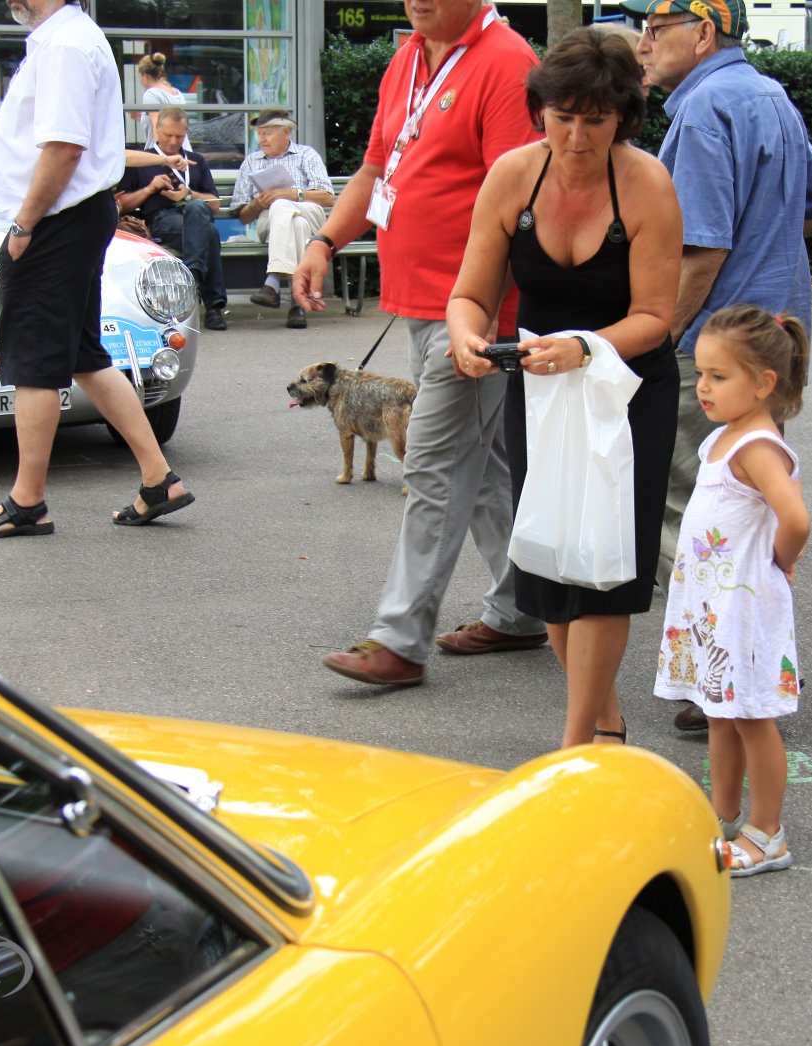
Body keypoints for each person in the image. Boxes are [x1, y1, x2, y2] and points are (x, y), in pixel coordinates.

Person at [295, 0, 546, 687]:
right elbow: (377, 170)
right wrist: (324, 241)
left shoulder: (506, 63)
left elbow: (519, 201)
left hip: (472, 315)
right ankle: (524, 609)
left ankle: (400, 640)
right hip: (423, 306)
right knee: (483, 469)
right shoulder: (409, 57)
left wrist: (479, 318)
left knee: (433, 465)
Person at [447, 28, 681, 746]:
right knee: (548, 567)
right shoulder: (513, 177)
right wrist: (466, 336)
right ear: (540, 112)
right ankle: (606, 722)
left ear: (625, 118)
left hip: (626, 392)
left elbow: (656, 316)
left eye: (597, 120)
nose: (577, 138)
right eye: (563, 118)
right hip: (542, 392)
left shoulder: (647, 184)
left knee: (606, 568)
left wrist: (585, 346)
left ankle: (579, 743)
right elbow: (471, 295)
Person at [623, 0, 812, 736]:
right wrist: (766, 238)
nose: (644, 43)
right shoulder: (769, 94)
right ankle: (758, 653)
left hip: (716, 342)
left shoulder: (703, 107)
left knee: (695, 507)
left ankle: (719, 669)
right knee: (751, 501)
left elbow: (703, 244)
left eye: (657, 29)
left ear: (704, 33)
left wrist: (662, 335)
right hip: (774, 334)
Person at [0, 0, 194, 539]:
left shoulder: (64, 44)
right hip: (77, 212)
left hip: (56, 215)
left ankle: (28, 501)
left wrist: (24, 223)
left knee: (35, 360)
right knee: (84, 354)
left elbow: (63, 148)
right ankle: (159, 479)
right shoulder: (72, 36)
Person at [656, 305, 809, 876]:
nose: (703, 386)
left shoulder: (758, 448)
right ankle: (721, 814)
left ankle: (768, 833)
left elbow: (796, 519)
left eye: (718, 377)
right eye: (701, 374)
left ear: (764, 384)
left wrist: (779, 562)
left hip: (743, 608)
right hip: (712, 605)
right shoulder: (723, 438)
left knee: (751, 717)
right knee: (719, 710)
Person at [116, 105, 228, 331]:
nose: (173, 141)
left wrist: (188, 194)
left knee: (198, 209)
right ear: (157, 130)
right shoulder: (143, 160)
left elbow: (214, 205)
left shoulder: (196, 160)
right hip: (162, 219)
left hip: (195, 218)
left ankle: (193, 277)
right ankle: (213, 307)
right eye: (168, 135)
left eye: (179, 136)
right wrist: (150, 188)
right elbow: (122, 204)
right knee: (209, 233)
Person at [229, 110, 335, 329]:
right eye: (259, 134)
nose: (262, 139)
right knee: (295, 224)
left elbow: (327, 197)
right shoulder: (251, 162)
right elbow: (243, 217)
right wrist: (257, 204)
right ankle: (297, 303)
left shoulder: (306, 155)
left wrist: (291, 194)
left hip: (309, 212)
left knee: (283, 206)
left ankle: (273, 282)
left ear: (286, 132)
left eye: (267, 133)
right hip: (270, 222)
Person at [133, 52, 187, 149]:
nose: (140, 81)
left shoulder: (151, 94)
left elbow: (157, 127)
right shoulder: (177, 93)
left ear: (144, 75)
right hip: (182, 150)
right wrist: (141, 117)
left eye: (139, 77)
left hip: (166, 152)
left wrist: (158, 154)